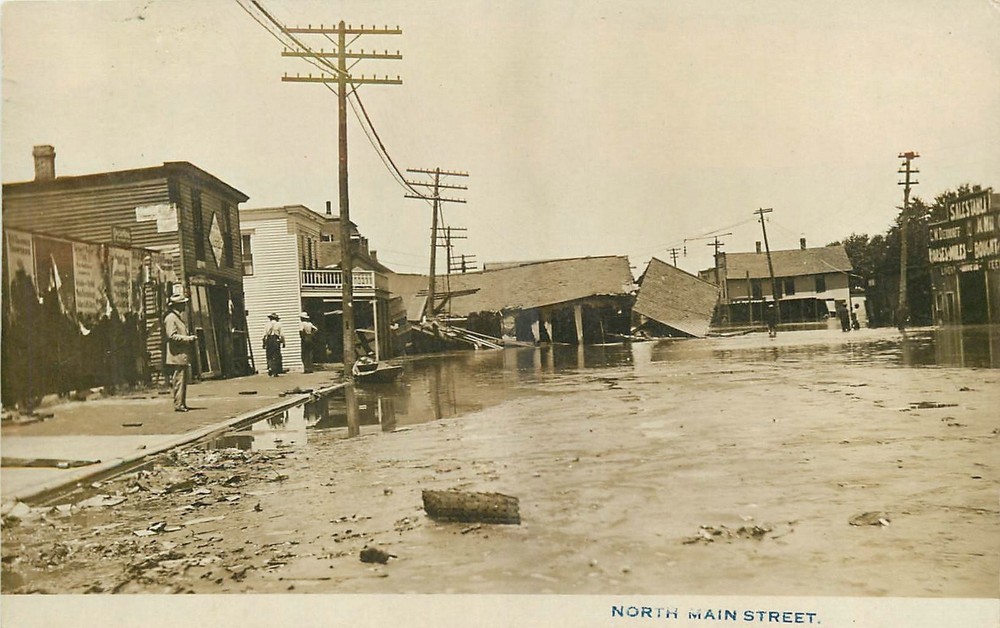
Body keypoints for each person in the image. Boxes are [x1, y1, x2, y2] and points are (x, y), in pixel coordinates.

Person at [164, 293, 197, 412]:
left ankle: (181, 402)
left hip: (181, 354)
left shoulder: (177, 318)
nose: (184, 306)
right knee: (178, 380)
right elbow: (171, 336)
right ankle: (178, 404)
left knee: (182, 380)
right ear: (177, 305)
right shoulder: (171, 318)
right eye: (182, 304)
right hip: (176, 354)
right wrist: (187, 338)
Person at [262, 312, 285, 376]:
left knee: (269, 355)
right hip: (275, 339)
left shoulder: (267, 325)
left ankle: (270, 367)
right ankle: (275, 371)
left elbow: (264, 335)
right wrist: (283, 342)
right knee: (276, 355)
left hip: (269, 340)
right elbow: (282, 334)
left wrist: (263, 343)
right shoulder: (279, 324)